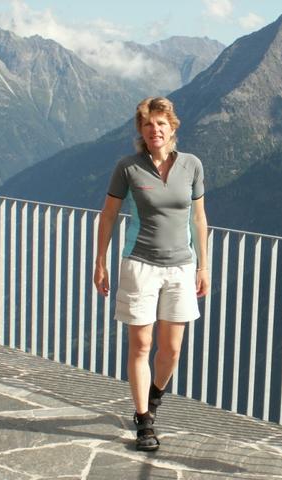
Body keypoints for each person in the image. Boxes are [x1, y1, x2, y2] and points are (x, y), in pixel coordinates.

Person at [93, 96, 209, 451]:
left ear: (172, 128)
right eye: (147, 124)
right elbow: (109, 214)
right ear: (141, 131)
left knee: (171, 350)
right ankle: (144, 420)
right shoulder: (128, 167)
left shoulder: (191, 165)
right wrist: (100, 261)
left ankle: (155, 396)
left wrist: (203, 266)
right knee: (141, 345)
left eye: (160, 123)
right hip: (139, 264)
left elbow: (198, 218)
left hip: (181, 267)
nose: (154, 129)